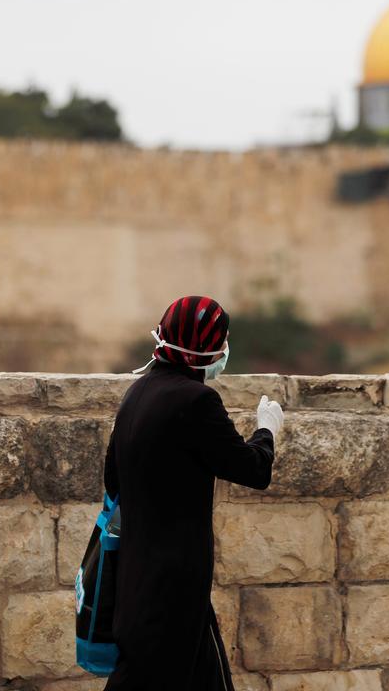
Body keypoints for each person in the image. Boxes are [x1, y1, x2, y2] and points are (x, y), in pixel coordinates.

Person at [104, 295, 283, 690]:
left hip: (138, 581)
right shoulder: (196, 401)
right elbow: (252, 468)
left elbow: (113, 480)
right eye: (222, 341)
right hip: (174, 589)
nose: (224, 351)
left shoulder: (137, 394)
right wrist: (267, 430)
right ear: (207, 348)